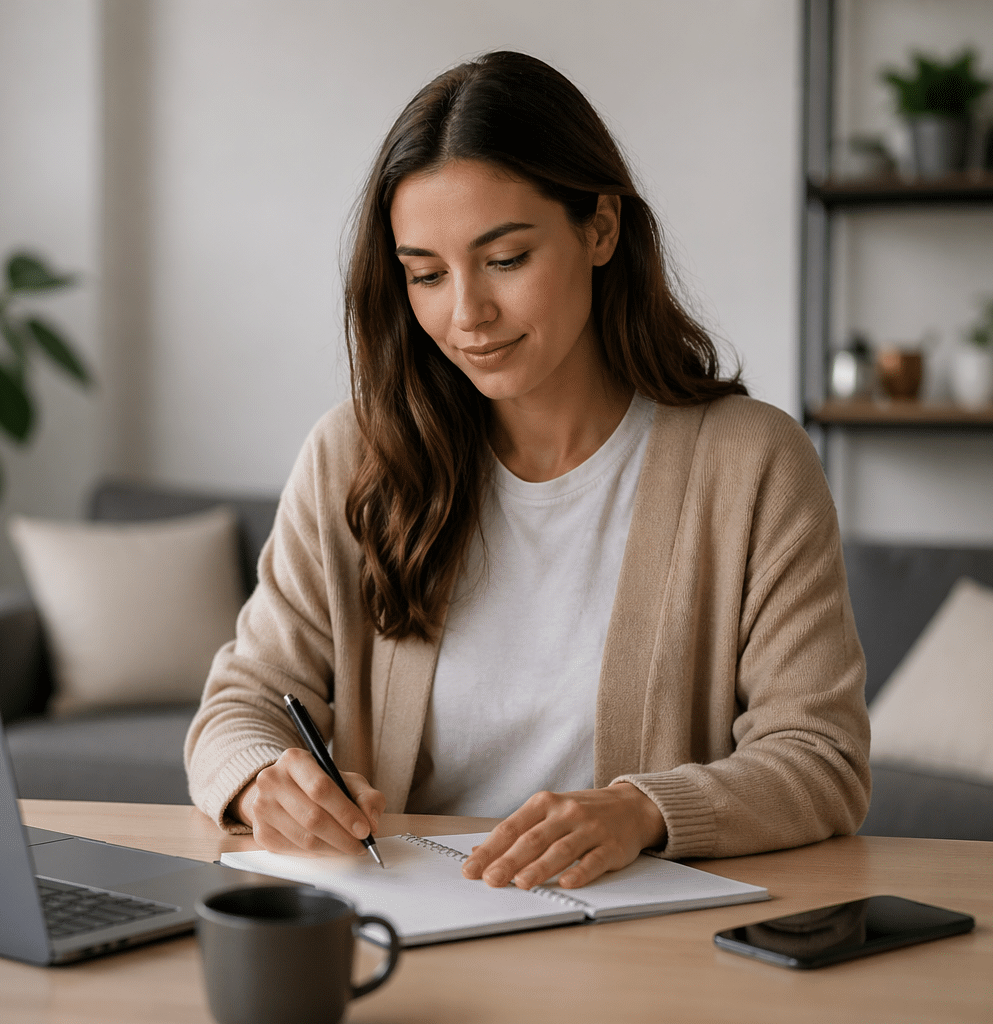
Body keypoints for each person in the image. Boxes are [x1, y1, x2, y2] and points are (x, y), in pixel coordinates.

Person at [184, 51, 869, 891]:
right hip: (405, 926)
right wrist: (263, 781)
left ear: (601, 229)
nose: (466, 314)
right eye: (426, 275)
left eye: (504, 260)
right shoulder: (354, 457)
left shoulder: (751, 462)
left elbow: (821, 756)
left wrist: (643, 811)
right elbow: (240, 705)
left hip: (637, 948)